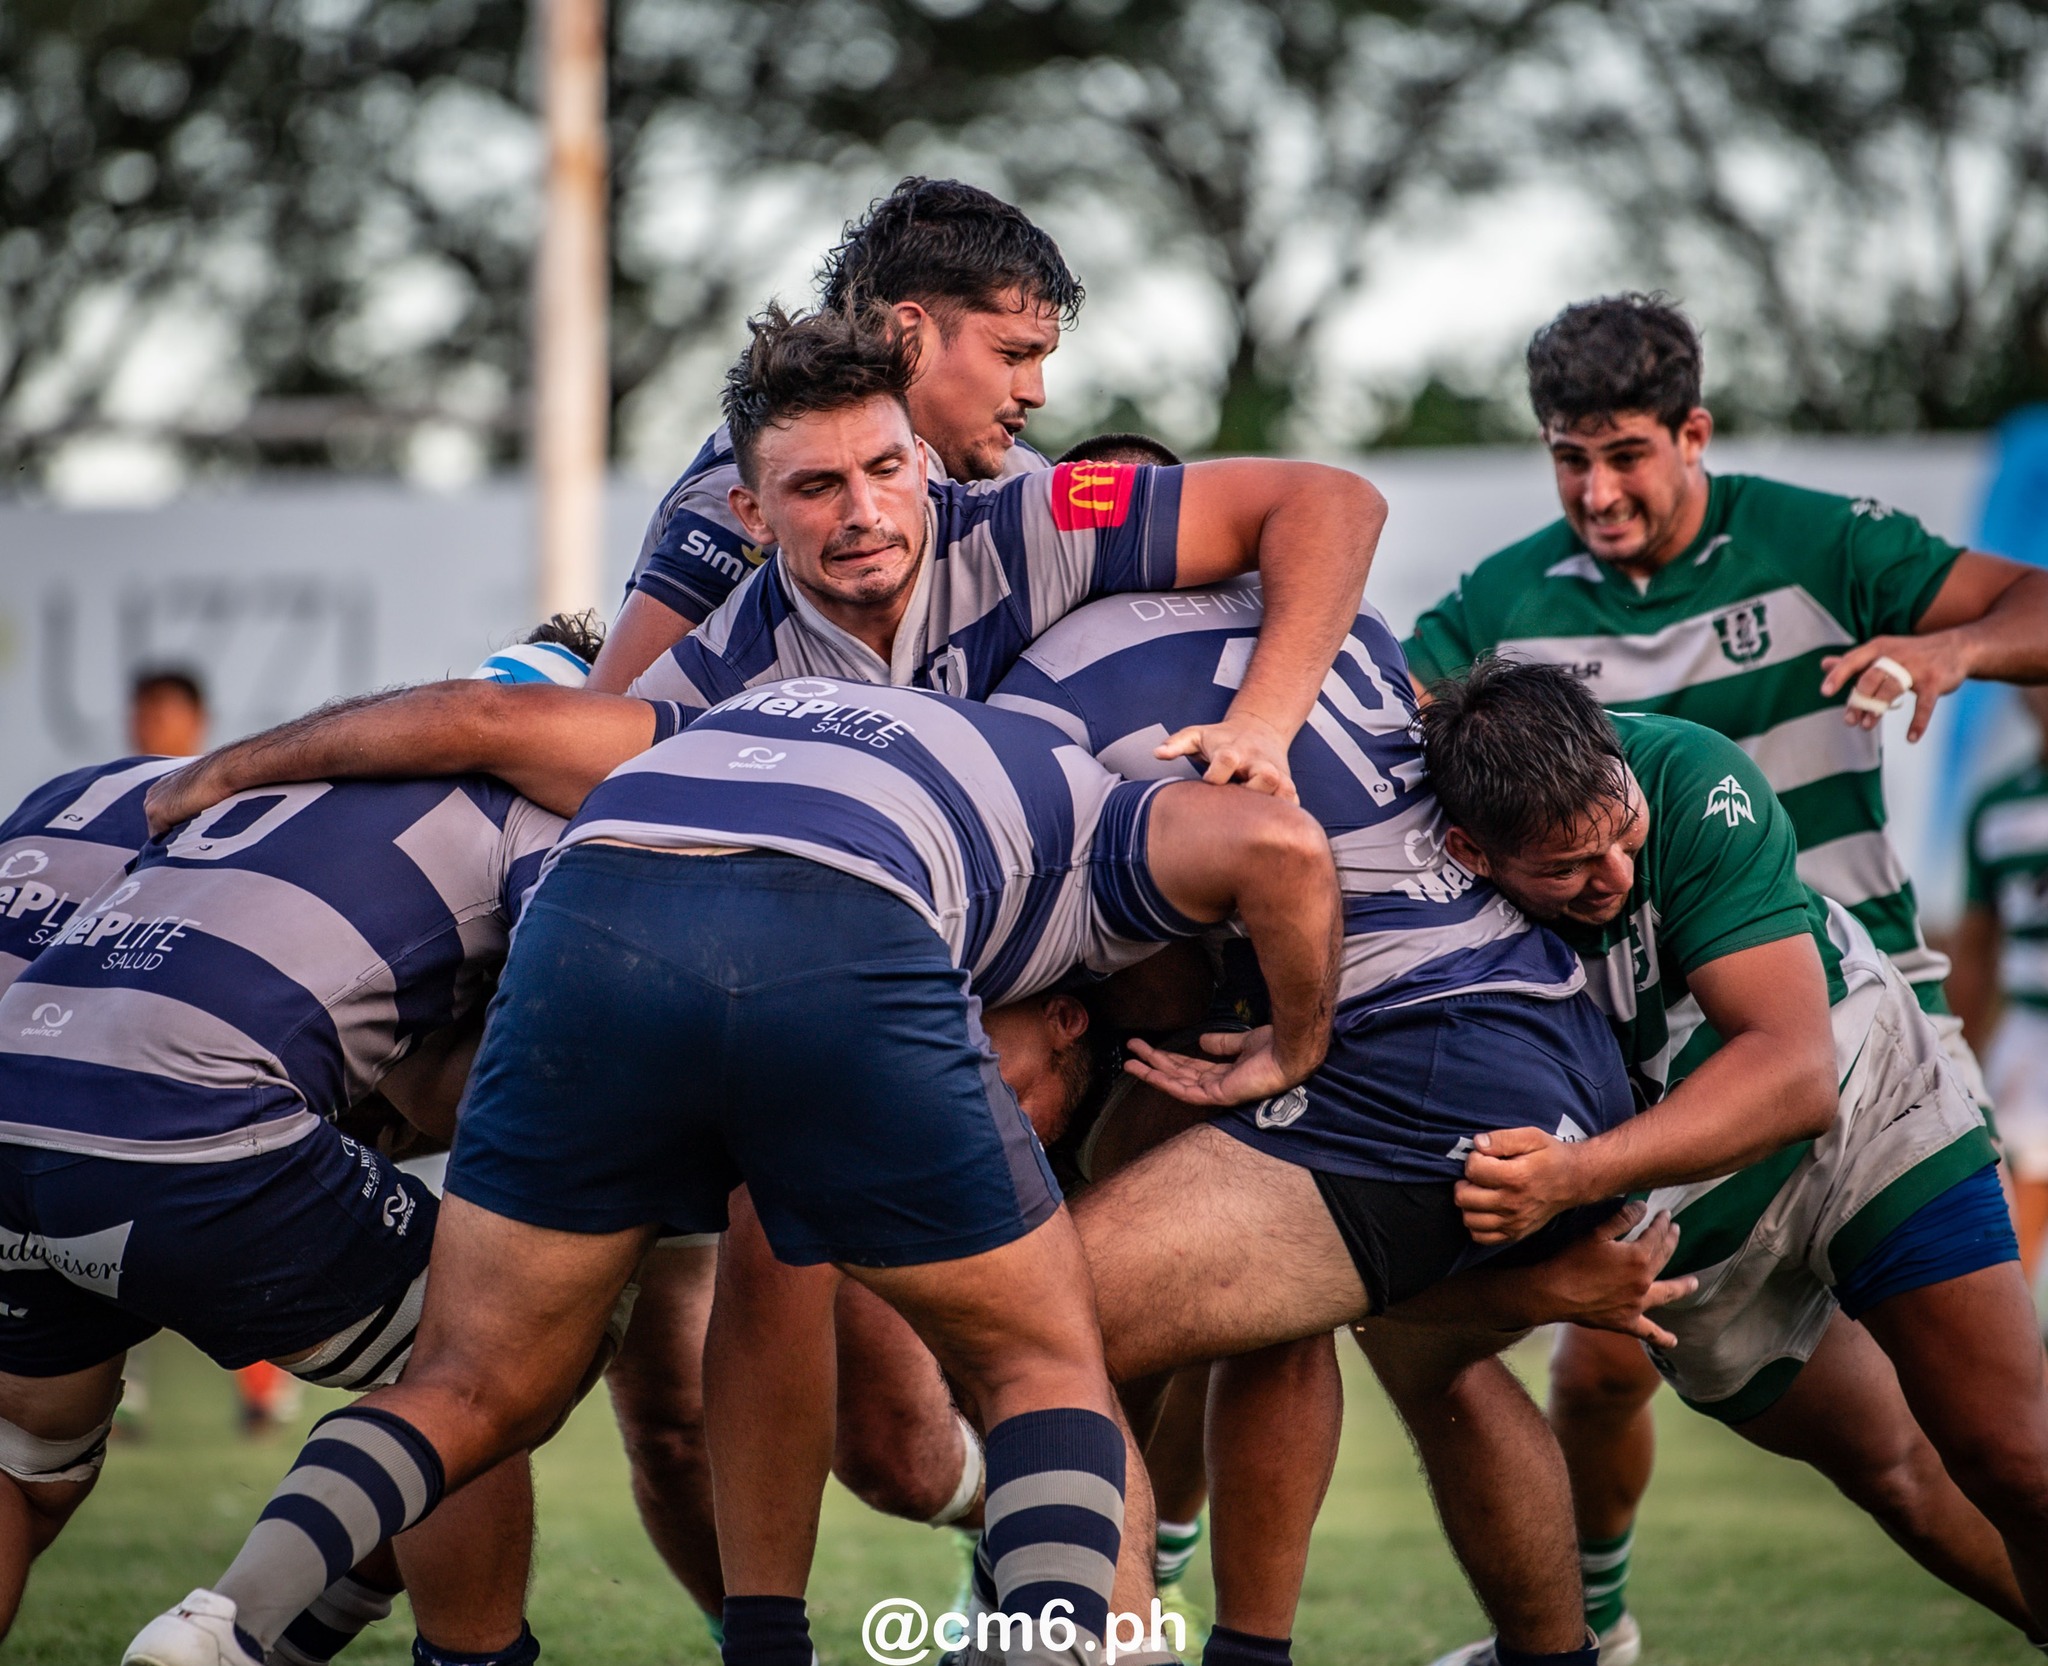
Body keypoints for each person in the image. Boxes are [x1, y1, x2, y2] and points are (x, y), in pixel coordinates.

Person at [119, 666, 1349, 1666]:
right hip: (837, 924)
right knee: (1042, 1366)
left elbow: (479, 716)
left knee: (470, 1382)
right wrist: (1289, 1049)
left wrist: (221, 766)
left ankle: (223, 1620)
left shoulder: (724, 714)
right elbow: (1284, 850)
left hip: (587, 928)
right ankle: (1048, 1646)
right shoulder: (1106, 812)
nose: (1015, 1117)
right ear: (1072, 1015)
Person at [608, 299, 1385, 1638]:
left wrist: (1258, 730)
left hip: (1135, 966)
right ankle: (978, 1563)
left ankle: (1126, 1584)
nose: (1035, 391)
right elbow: (593, 732)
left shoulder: (1041, 509)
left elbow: (1324, 505)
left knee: (1140, 1312)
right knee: (907, 1431)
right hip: (917, 977)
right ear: (918, 340)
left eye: (883, 469)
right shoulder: (739, 610)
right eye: (1016, 353)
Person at [1402, 292, 2048, 1656]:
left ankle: (1581, 1632)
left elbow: (2028, 603)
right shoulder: (1504, 606)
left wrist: (1953, 648)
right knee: (1639, 1388)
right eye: (1567, 457)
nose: (1596, 489)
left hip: (1856, 1027)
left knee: (2001, 1442)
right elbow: (1389, 746)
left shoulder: (1819, 539)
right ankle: (1594, 1628)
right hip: (1661, 1085)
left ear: (1694, 434)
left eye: (1626, 452)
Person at [990, 586, 1685, 1666]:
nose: (1613, 875)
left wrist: (1295, 1037)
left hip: (1428, 1059)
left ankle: (1077, 1637)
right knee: (1402, 1356)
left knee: (1031, 1338)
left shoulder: (1048, 686)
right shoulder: (1336, 629)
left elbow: (1268, 866)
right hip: (1536, 1040)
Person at [0, 631, 596, 1662]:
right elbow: (546, 1065)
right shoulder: (545, 808)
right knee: (482, 1359)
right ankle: (272, 1633)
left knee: (23, 1463)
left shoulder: (188, 788)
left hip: (19, 1109)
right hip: (189, 1123)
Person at [587, 176, 1074, 694]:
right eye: (1013, 354)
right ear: (909, 334)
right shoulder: (751, 481)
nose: (1036, 392)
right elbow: (602, 724)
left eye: (1041, 359)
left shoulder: (1021, 474)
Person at [1952, 685, 2048, 1282]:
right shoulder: (1996, 807)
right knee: (2011, 1240)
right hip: (2031, 1039)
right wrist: (1960, 1062)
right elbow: (1976, 950)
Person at [128, 670, 207, 760]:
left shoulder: (221, 773)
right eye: (141, 719)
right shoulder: (115, 773)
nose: (146, 730)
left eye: (157, 719)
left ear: (196, 718)